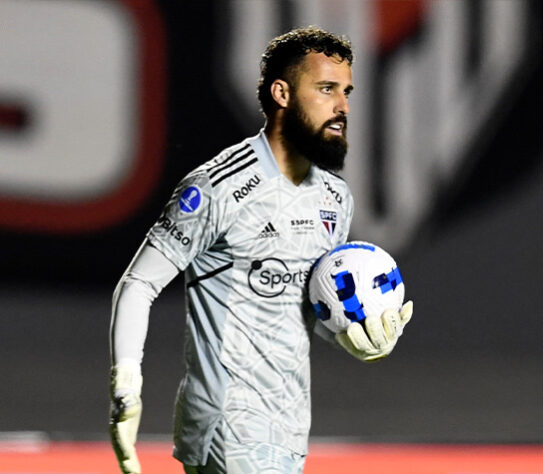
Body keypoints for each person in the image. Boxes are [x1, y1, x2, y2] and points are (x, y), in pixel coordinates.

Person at [108, 26, 413, 474]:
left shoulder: (334, 198)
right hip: (229, 423)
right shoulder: (218, 186)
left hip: (287, 424)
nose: (342, 106)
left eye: (346, 91)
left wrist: (356, 333)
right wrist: (126, 383)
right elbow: (138, 283)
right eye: (326, 89)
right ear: (282, 93)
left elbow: (305, 307)